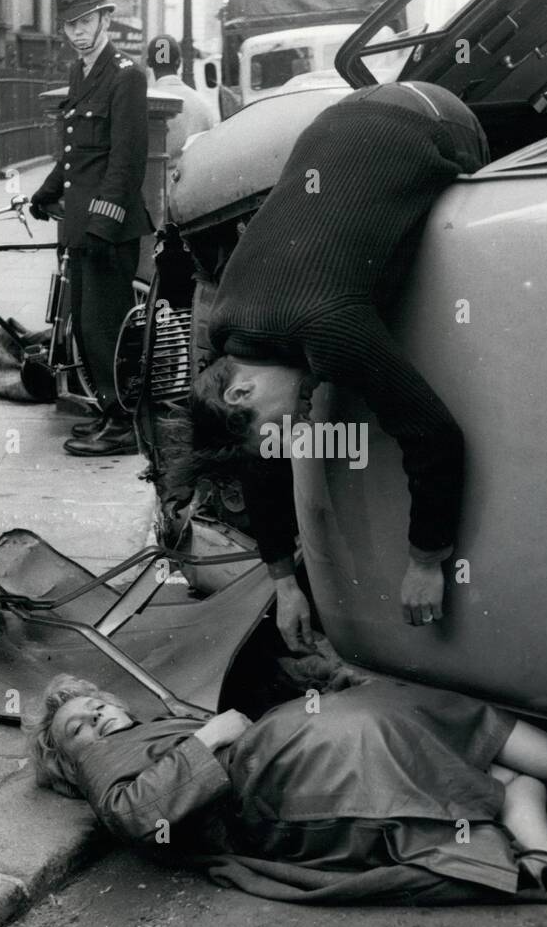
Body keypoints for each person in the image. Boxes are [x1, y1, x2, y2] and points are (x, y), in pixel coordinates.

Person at [171, 81, 487, 652]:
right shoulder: (228, 328)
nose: (298, 426)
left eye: (283, 428)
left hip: (436, 116)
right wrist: (284, 583)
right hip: (336, 118)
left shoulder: (327, 329)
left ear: (239, 393)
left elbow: (435, 436)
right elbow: (261, 462)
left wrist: (425, 561)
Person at [24, 661, 547, 911]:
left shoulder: (136, 733)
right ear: (65, 763)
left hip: (284, 760)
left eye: (100, 705)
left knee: (474, 755)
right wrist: (209, 736)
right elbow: (135, 813)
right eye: (80, 725)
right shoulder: (100, 764)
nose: (101, 717)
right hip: (274, 782)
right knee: (397, 720)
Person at [30, 0, 152, 457]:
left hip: (108, 229)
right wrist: (45, 192)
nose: (78, 32)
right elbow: (74, 152)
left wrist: (101, 222)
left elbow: (126, 161)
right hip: (81, 227)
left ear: (105, 18)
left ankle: (122, 425)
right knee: (84, 325)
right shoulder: (79, 72)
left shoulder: (126, 77)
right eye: (70, 25)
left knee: (107, 330)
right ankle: (108, 413)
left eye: (86, 21)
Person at [147, 34, 217, 160]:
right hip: (194, 178)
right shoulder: (203, 104)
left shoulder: (144, 103)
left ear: (149, 63)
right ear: (179, 62)